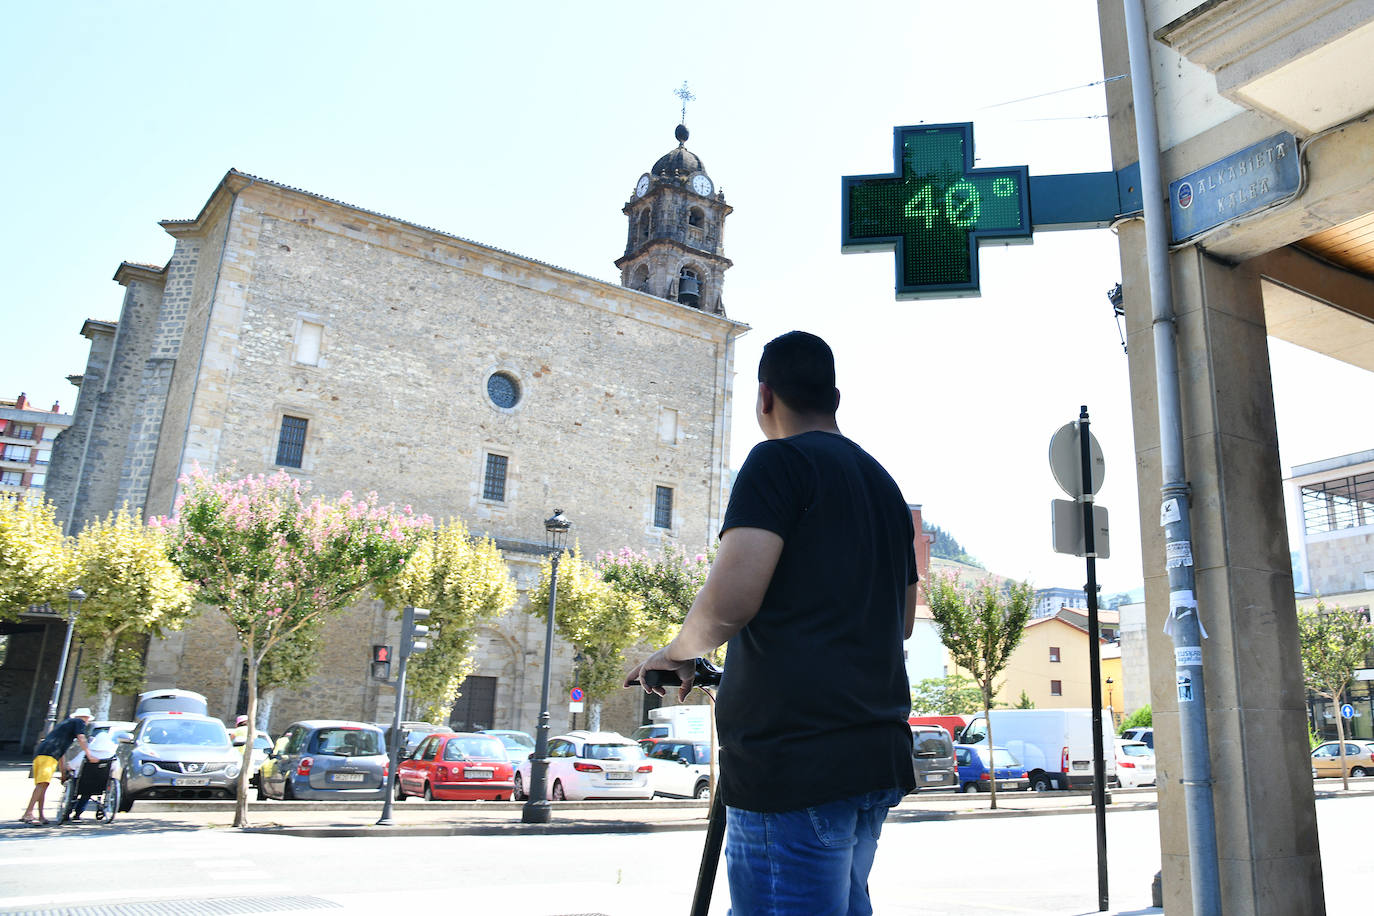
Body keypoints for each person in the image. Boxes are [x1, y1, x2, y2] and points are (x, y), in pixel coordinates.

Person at [625, 331, 919, 916]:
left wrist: (676, 651)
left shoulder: (778, 461)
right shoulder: (885, 486)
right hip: (874, 755)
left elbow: (729, 603)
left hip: (794, 762)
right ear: (835, 397)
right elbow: (904, 621)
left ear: (765, 398)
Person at [22, 708, 98, 826]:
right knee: (42, 785)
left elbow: (61, 753)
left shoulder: (66, 725)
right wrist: (89, 755)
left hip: (43, 753)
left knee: (43, 785)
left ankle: (41, 816)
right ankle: (28, 813)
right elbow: (81, 738)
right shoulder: (79, 722)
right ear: (86, 718)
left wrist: (63, 773)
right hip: (49, 754)